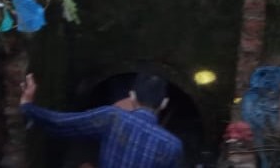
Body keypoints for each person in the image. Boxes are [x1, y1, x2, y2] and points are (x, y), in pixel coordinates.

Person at [19, 72, 183, 168]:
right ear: (164, 103)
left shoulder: (112, 117)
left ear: (131, 96)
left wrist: (27, 105)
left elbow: (60, 123)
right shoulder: (173, 145)